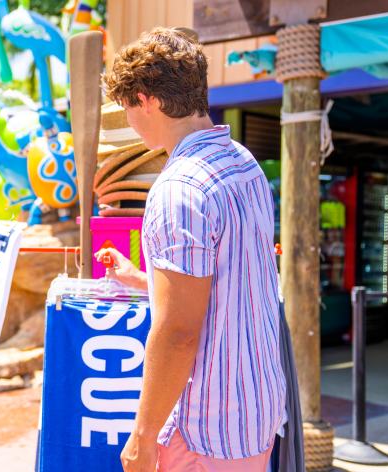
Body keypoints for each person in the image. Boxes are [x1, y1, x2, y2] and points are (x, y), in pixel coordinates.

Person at [98, 28, 286, 472]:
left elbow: (178, 332)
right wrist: (141, 279)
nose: (130, 122)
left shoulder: (179, 188)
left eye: (127, 109)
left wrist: (143, 435)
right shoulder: (244, 162)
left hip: (207, 426)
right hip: (255, 410)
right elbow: (231, 285)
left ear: (145, 100)